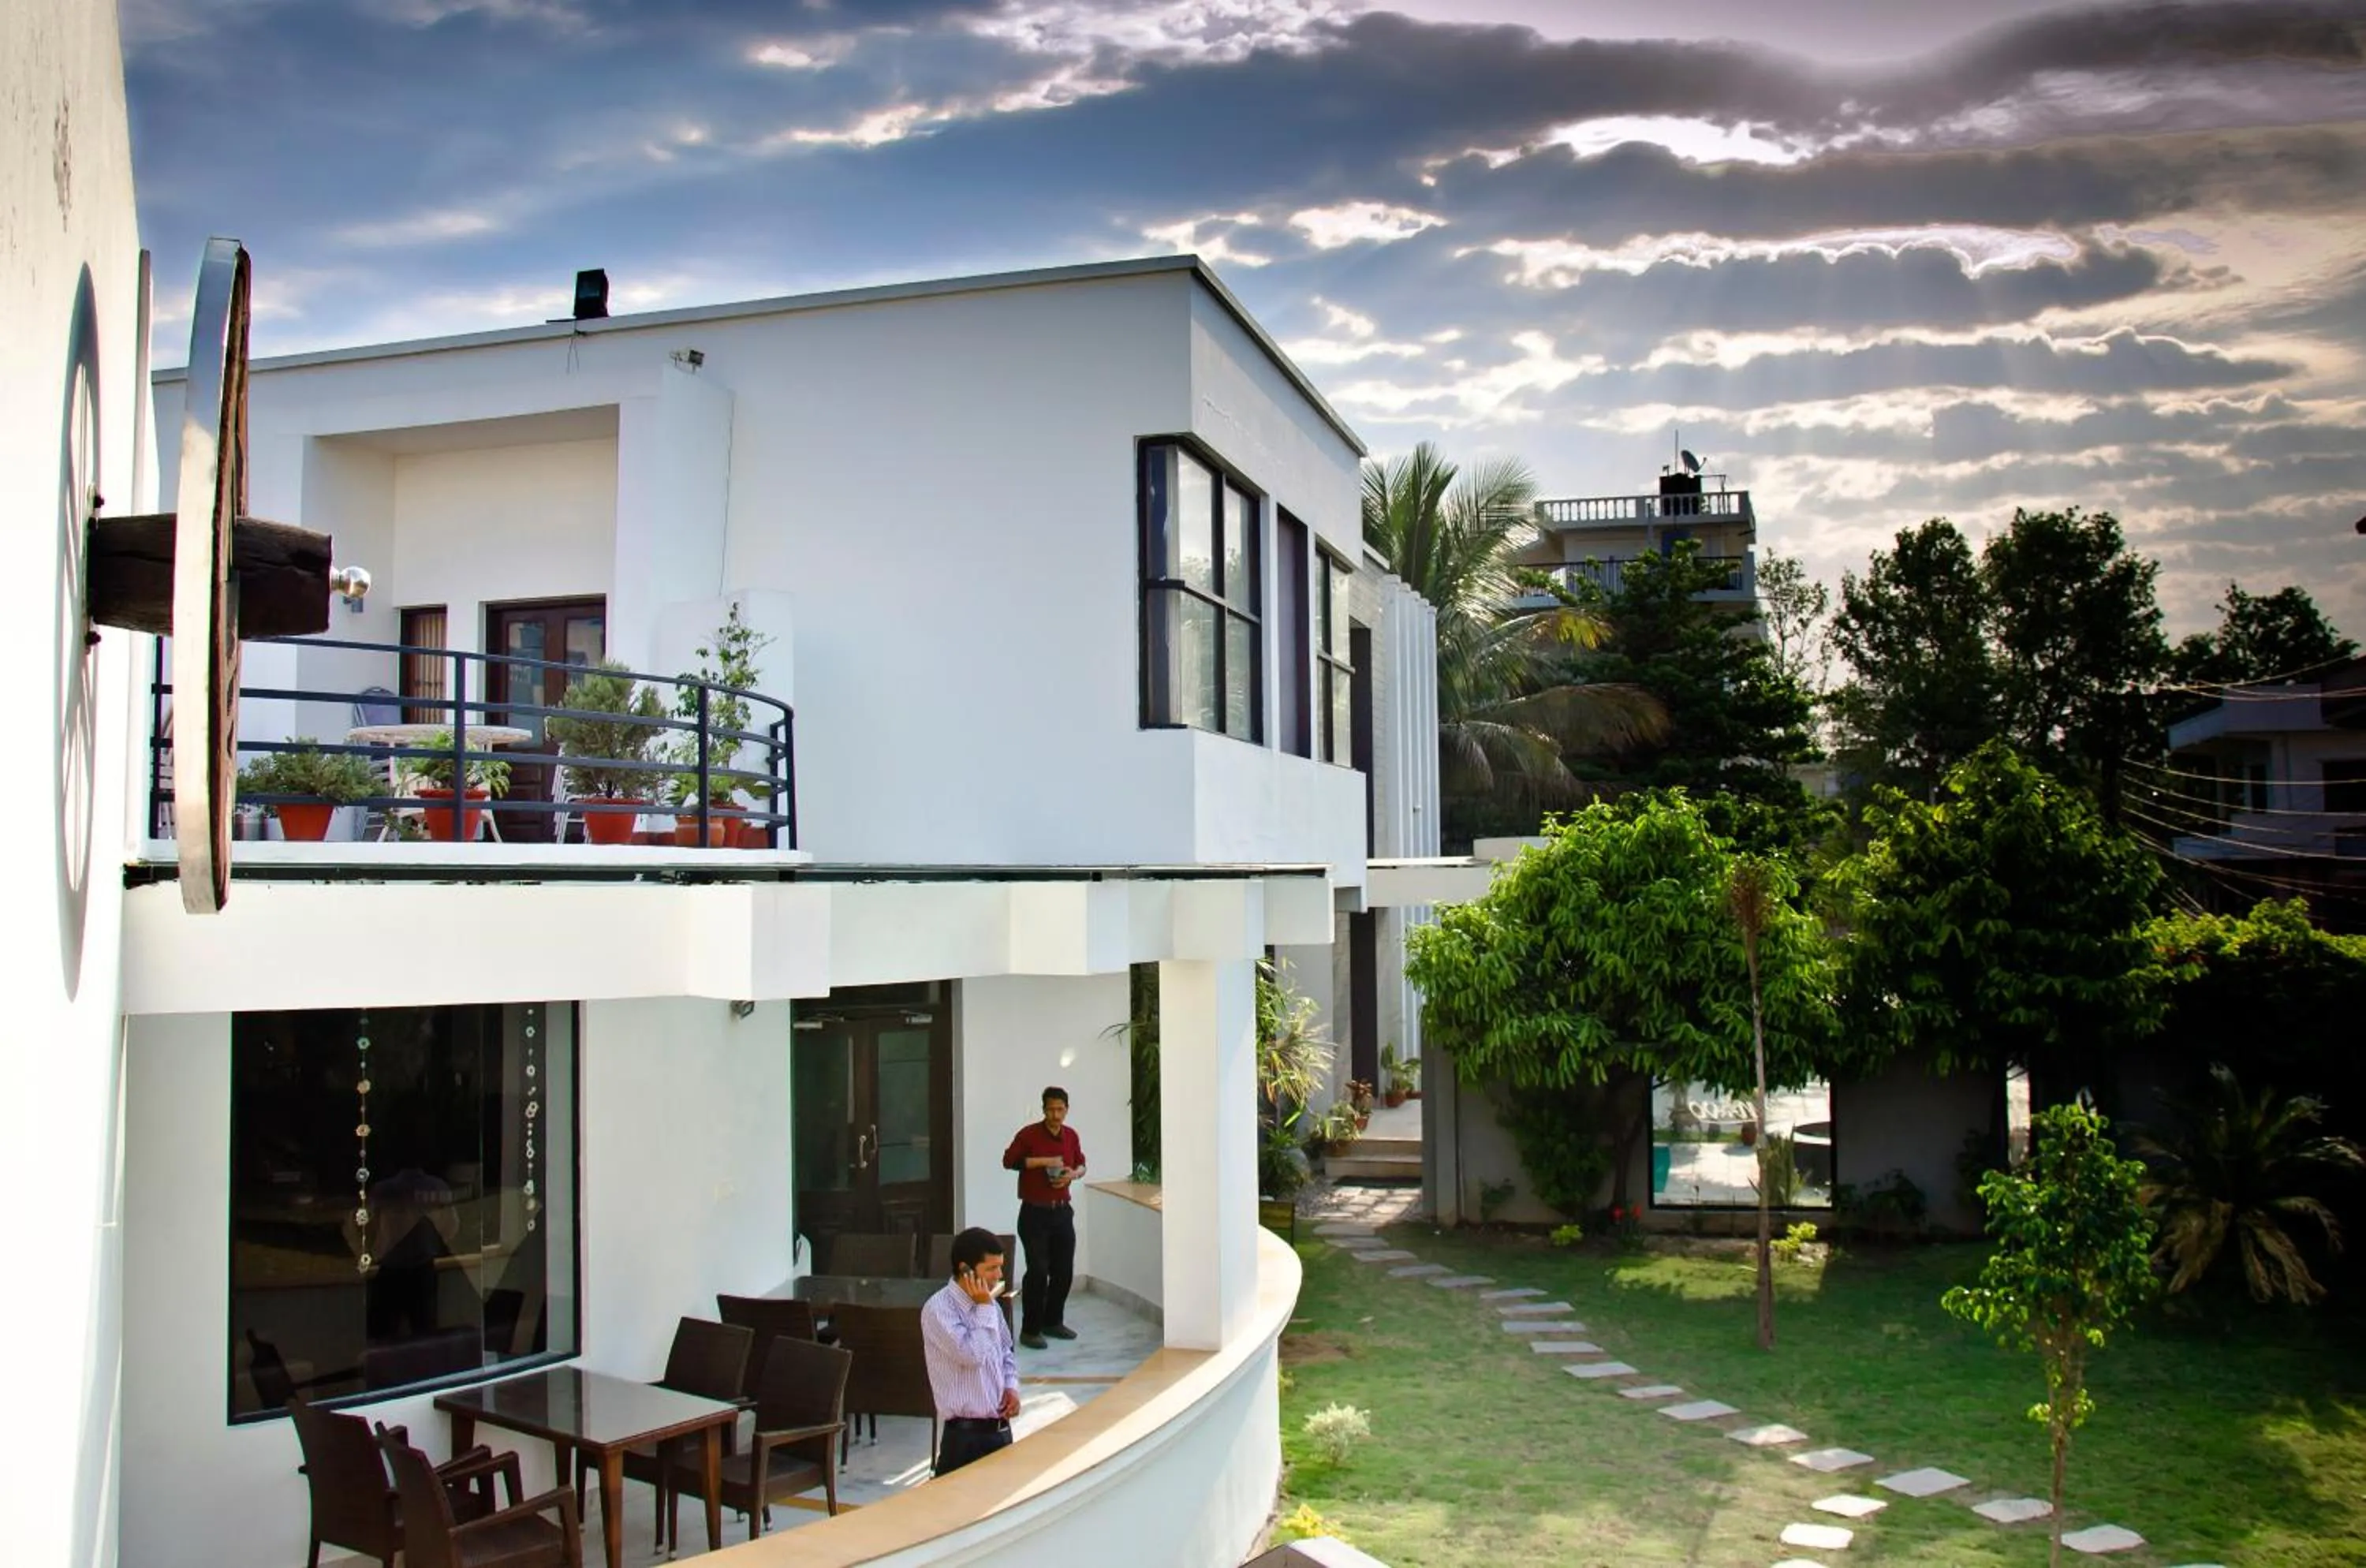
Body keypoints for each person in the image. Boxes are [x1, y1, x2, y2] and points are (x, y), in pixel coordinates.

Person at [918, 1226, 1021, 1477]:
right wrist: (985, 1308)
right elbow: (971, 1355)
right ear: (966, 1269)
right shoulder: (939, 1310)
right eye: (991, 1268)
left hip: (999, 1429)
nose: (999, 1275)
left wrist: (1011, 1386)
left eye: (1000, 1267)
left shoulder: (990, 1304)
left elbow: (1006, 1350)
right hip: (965, 1437)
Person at [1002, 1085, 1085, 1350]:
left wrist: (1073, 1174)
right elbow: (1008, 1161)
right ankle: (1031, 1329)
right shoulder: (1029, 1135)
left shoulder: (1071, 1136)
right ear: (1044, 1109)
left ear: (1067, 1110)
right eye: (1051, 1109)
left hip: (1061, 1211)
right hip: (1034, 1213)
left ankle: (1053, 1321)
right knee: (1038, 1271)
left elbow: (1082, 1164)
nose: (1056, 1115)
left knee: (1063, 1271)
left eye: (1060, 1109)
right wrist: (1043, 1161)